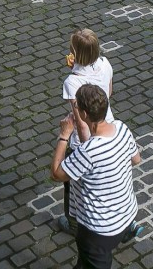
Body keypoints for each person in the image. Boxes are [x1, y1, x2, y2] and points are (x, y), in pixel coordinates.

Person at [50, 85, 143, 266]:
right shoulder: (122, 128)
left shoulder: (88, 152)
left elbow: (56, 174)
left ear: (84, 114)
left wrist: (64, 135)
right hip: (126, 215)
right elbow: (136, 159)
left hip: (98, 231)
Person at [55, 29, 119, 237]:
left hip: (85, 140)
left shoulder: (72, 83)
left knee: (73, 185)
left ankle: (73, 222)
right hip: (107, 126)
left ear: (75, 53)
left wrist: (85, 149)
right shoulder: (106, 63)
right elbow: (107, 93)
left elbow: (82, 123)